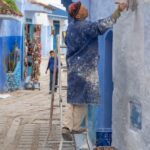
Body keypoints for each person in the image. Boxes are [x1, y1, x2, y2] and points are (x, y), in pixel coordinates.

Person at [62, 1, 127, 141]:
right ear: (78, 14)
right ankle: (71, 126)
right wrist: (118, 11)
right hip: (85, 69)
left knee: (74, 99)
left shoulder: (71, 28)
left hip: (73, 68)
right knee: (83, 98)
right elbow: (102, 26)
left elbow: (67, 42)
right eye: (83, 8)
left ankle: (68, 126)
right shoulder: (85, 26)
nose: (86, 9)